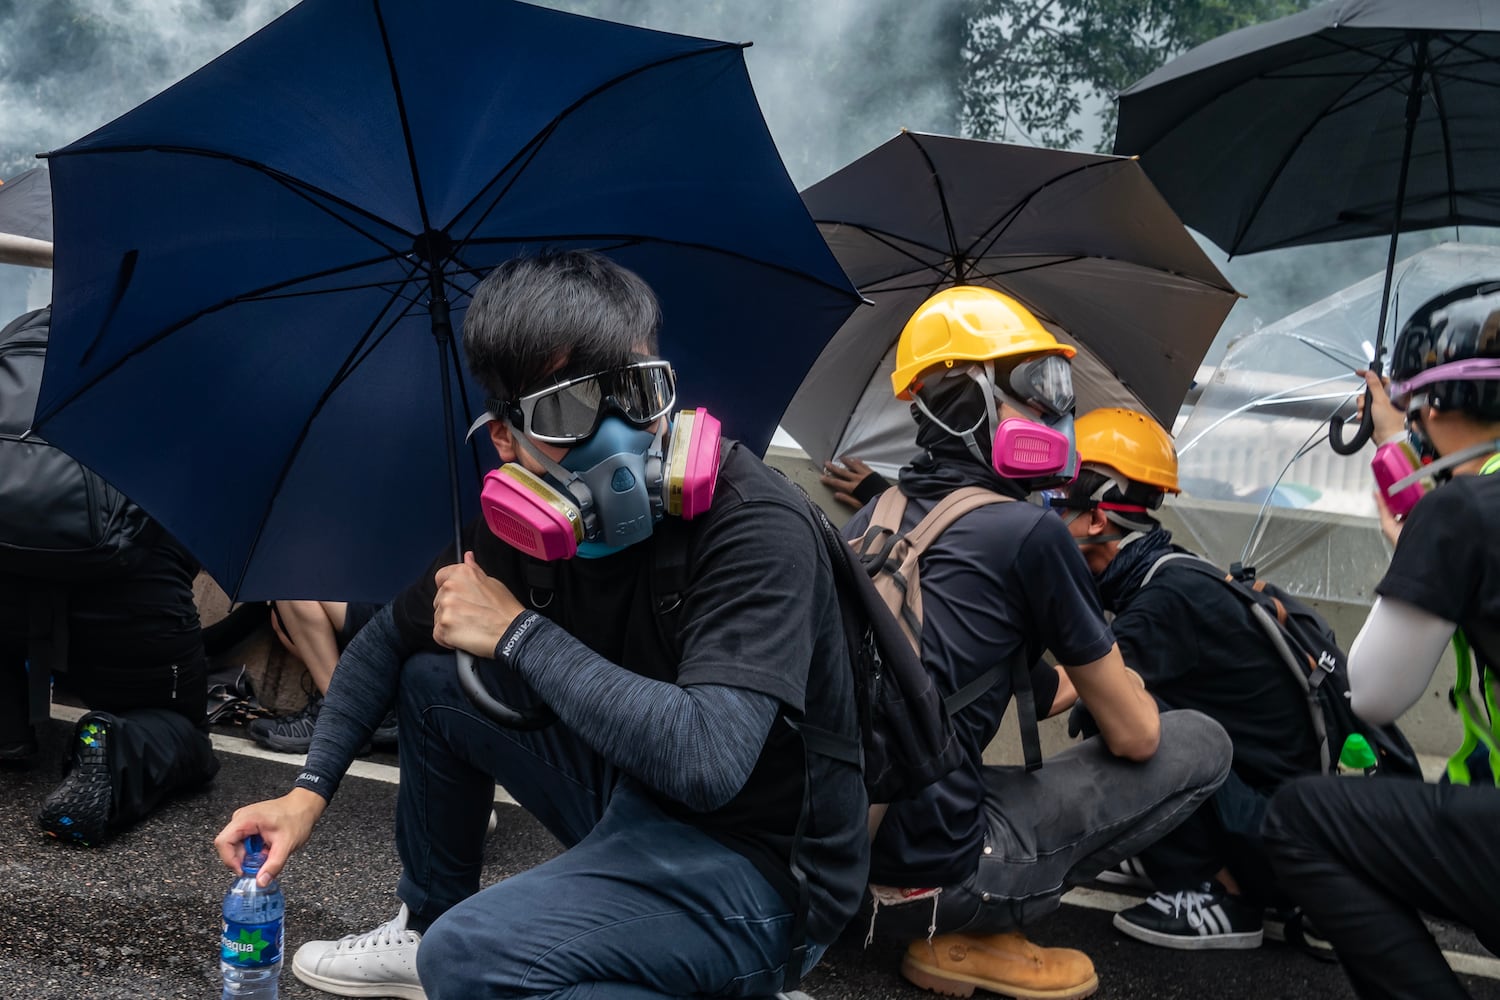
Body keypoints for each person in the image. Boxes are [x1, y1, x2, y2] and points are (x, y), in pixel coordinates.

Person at [214, 249, 869, 1000]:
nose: (617, 432)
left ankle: (739, 982)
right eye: (569, 408)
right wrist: (306, 795)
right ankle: (428, 919)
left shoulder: (754, 522)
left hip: (770, 873)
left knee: (474, 962)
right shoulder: (518, 532)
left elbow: (707, 761)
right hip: (639, 800)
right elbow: (385, 646)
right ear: (506, 439)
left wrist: (519, 634)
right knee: (434, 680)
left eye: (636, 390)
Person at [843, 286, 1232, 1000]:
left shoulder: (877, 513)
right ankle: (975, 930)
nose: (1059, 409)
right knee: (1200, 740)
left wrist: (1084, 671)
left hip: (849, 851)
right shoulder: (1030, 533)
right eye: (1037, 387)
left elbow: (990, 680)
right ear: (962, 402)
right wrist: (1121, 678)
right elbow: (1139, 737)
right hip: (942, 878)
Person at [1263, 280, 1500, 1000]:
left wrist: (1413, 551)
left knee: (1302, 819)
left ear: (1436, 405)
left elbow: (1371, 693)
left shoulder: (1465, 513)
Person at [1044, 407, 1324, 950]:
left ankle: (1224, 892)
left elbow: (1055, 694)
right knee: (1126, 707)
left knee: (1116, 714)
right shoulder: (1167, 571)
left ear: (1097, 519)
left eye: (1055, 503)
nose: (1044, 517)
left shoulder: (1164, 601)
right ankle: (1166, 849)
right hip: (1274, 811)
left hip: (1272, 839)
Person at [0, 306, 219, 847]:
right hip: (128, 586)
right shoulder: (177, 353)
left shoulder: (20, 334)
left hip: (7, 569)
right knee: (183, 731)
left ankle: (9, 732)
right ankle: (114, 744)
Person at [248, 600, 396, 753]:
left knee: (294, 591)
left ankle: (344, 717)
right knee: (282, 615)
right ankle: (361, 706)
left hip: (405, 609)